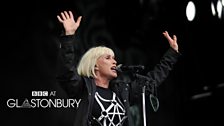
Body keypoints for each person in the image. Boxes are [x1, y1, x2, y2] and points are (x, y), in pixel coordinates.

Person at [56, 10, 181, 126]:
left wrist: (172, 53)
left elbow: (153, 79)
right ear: (95, 65)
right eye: (108, 58)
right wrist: (68, 36)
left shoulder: (122, 92)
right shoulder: (83, 88)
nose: (114, 62)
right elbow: (67, 69)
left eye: (114, 58)